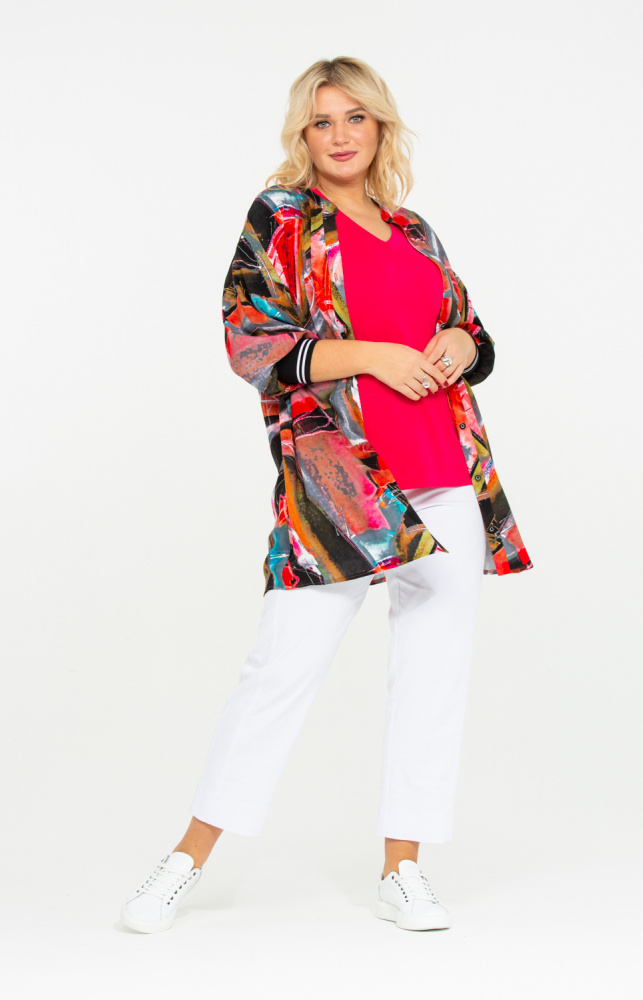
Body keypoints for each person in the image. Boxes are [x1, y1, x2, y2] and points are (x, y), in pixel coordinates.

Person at [120, 56, 532, 935]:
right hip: (343, 485)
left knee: (433, 675)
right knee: (280, 669)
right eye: (322, 121)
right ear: (301, 135)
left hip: (445, 474)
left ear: (381, 127)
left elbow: (469, 328)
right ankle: (184, 860)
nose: (341, 135)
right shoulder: (282, 218)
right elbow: (251, 342)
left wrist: (463, 342)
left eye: (356, 118)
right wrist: (376, 356)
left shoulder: (414, 229)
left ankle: (403, 870)